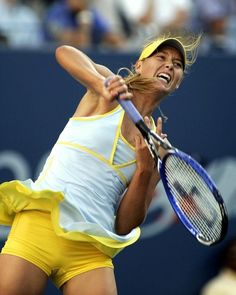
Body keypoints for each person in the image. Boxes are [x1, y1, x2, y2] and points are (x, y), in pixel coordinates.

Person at [0, 31, 201, 294]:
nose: (169, 65)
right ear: (139, 65)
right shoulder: (108, 86)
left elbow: (126, 224)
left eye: (177, 65)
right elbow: (64, 52)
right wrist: (100, 83)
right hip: (41, 224)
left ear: (177, 83)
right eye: (161, 57)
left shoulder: (156, 145)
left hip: (90, 249)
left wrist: (145, 170)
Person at [43, 0, 124, 49]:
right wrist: (84, 25)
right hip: (52, 58)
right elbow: (78, 43)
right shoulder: (57, 11)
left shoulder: (89, 10)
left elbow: (114, 38)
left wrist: (109, 38)